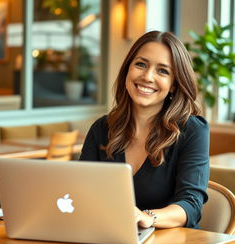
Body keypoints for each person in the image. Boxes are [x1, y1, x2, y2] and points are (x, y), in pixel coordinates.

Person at [79, 30, 209, 229]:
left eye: (163, 71)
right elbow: (81, 192)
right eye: (141, 64)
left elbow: (191, 204)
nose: (147, 77)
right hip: (111, 237)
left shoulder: (192, 130)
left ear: (174, 85)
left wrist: (148, 217)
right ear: (127, 70)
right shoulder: (102, 128)